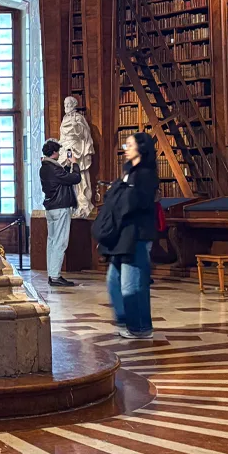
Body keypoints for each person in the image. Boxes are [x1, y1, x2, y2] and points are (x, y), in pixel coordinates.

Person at [100, 133, 158, 340]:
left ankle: (140, 327)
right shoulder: (128, 172)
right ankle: (125, 320)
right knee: (113, 281)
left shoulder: (146, 174)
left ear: (141, 148)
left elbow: (135, 203)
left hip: (137, 235)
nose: (126, 149)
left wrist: (121, 195)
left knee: (132, 285)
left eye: (130, 145)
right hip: (122, 236)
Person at [39, 139, 81, 287]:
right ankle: (55, 276)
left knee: (52, 241)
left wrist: (67, 166)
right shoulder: (53, 168)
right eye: (58, 151)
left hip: (51, 208)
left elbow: (62, 179)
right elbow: (75, 178)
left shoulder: (45, 167)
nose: (59, 154)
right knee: (60, 241)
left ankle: (52, 274)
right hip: (60, 207)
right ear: (54, 152)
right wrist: (75, 164)